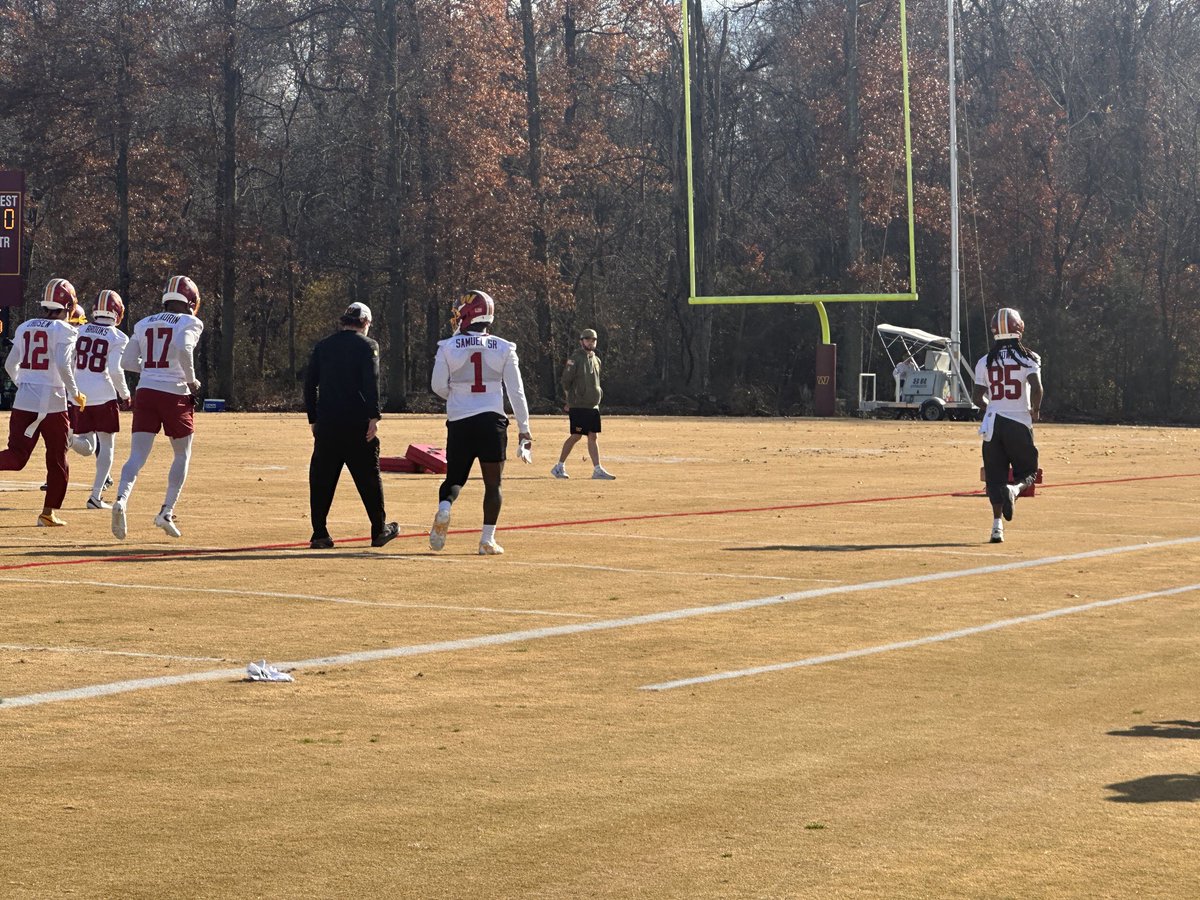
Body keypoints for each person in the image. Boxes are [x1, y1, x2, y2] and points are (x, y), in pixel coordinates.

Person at [428, 289, 532, 555]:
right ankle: (487, 540)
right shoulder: (504, 347)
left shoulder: (448, 347)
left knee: (454, 478)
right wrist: (524, 429)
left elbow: (437, 385)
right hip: (492, 421)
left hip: (460, 421)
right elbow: (516, 392)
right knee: (493, 484)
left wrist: (457, 396)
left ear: (467, 315)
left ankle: (445, 508)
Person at [111, 275, 204, 540]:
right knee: (182, 454)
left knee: (137, 456)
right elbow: (183, 348)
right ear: (191, 301)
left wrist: (152, 370)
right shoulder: (190, 321)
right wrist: (190, 379)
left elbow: (127, 362)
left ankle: (121, 499)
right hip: (174, 393)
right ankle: (166, 511)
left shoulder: (144, 323)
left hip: (146, 391)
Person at [303, 301, 398, 550]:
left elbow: (310, 384)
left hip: (327, 423)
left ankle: (319, 533)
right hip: (357, 423)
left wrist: (313, 418)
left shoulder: (323, 346)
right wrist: (374, 416)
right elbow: (371, 381)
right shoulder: (368, 345)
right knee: (369, 478)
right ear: (365, 322)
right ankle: (378, 529)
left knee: (321, 479)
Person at [0, 278, 87, 526]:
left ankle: (48, 514)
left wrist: (25, 384)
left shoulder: (25, 326)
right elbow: (62, 365)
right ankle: (48, 513)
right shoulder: (65, 329)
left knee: (16, 457)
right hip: (53, 402)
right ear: (68, 305)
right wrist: (75, 392)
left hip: (23, 401)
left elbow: (10, 365)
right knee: (58, 459)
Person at [971, 307, 1043, 544]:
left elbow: (977, 397)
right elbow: (1037, 387)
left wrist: (991, 407)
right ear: (1019, 328)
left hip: (993, 424)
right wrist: (1035, 410)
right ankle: (1014, 490)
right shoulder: (1029, 357)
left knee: (995, 478)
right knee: (1028, 472)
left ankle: (996, 527)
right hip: (1018, 421)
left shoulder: (985, 361)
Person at [68, 291, 131, 509]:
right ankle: (95, 496)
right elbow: (114, 369)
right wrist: (125, 394)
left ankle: (68, 440)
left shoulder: (79, 330)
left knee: (87, 445)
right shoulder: (118, 337)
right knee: (107, 445)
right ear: (117, 311)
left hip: (78, 393)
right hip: (103, 395)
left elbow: (68, 362)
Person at [551, 327, 615, 480]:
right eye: (587, 339)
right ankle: (559, 467)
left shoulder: (597, 360)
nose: (590, 342)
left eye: (593, 340)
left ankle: (597, 470)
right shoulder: (575, 359)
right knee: (576, 435)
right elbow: (565, 381)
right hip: (579, 405)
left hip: (593, 405)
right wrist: (569, 401)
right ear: (581, 341)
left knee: (593, 436)